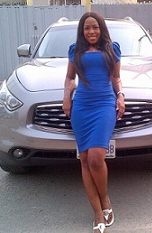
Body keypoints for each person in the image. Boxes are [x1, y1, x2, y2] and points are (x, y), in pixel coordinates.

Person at [62, 12, 125, 233]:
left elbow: (115, 77)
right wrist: (66, 97)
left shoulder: (112, 48)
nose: (91, 32)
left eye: (95, 27)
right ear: (82, 30)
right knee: (85, 159)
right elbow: (70, 78)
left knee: (97, 158)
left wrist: (121, 95)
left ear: (101, 29)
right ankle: (97, 211)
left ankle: (105, 198)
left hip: (104, 104)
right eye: (87, 28)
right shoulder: (75, 50)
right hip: (82, 106)